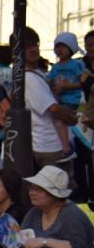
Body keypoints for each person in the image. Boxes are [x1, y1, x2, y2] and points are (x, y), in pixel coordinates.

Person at [19, 27, 77, 170]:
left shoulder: (36, 73)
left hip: (50, 144)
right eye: (27, 47)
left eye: (35, 44)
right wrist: (71, 119)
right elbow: (53, 108)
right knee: (59, 189)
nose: (33, 49)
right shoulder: (29, 78)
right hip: (51, 147)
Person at [47, 31, 86, 159]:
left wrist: (67, 86)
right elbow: (49, 80)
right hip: (60, 101)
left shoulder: (76, 64)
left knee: (58, 120)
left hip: (73, 101)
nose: (60, 49)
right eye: (57, 47)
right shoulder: (55, 67)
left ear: (71, 48)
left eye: (63, 46)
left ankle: (66, 148)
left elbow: (83, 83)